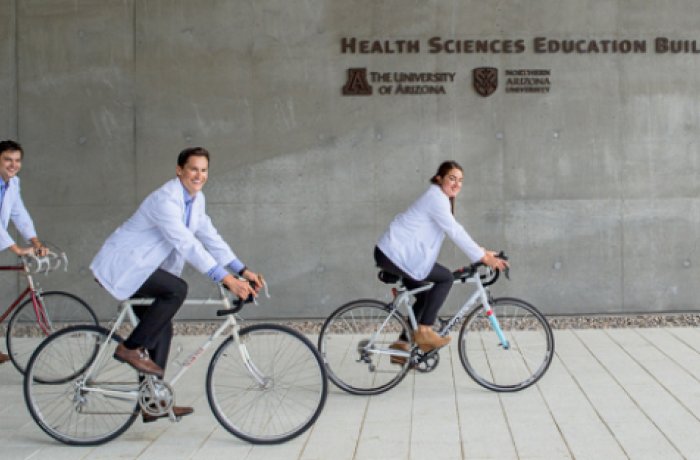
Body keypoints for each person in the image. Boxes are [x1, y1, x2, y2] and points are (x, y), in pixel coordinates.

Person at [90, 147, 263, 422]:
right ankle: (128, 348)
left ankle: (151, 402)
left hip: (144, 269)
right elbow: (187, 243)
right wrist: (227, 279)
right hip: (125, 266)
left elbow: (209, 236)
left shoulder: (196, 199)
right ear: (179, 170)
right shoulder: (165, 200)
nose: (199, 175)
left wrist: (241, 268)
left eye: (204, 170)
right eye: (193, 169)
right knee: (177, 290)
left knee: (162, 330)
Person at [374, 160, 508, 362]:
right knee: (445, 278)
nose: (457, 184)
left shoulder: (440, 199)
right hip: (395, 253)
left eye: (461, 180)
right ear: (439, 178)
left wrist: (482, 251)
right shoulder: (436, 198)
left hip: (396, 253)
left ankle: (402, 344)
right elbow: (455, 231)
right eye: (452, 178)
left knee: (425, 296)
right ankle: (425, 331)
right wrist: (483, 257)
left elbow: (454, 228)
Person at [0, 140, 48, 365]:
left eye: (17, 160)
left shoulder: (13, 183)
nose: (13, 165)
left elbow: (19, 214)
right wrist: (17, 248)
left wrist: (35, 241)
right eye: (8, 159)